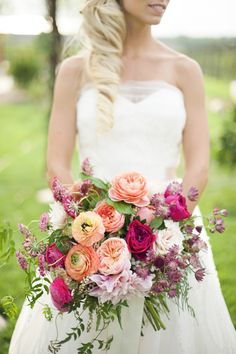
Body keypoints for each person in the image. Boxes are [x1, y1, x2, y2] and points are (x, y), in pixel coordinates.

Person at [9, 1, 236, 353]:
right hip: (88, 232)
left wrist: (165, 221)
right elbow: (56, 164)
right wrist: (90, 229)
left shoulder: (185, 70)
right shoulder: (74, 71)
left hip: (171, 237)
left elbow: (199, 167)